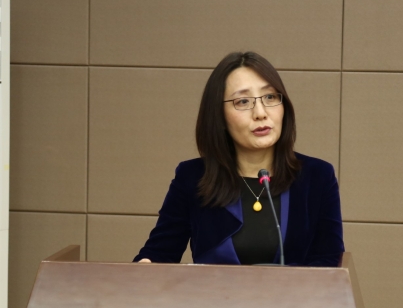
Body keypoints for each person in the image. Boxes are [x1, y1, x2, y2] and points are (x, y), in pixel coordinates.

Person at [133, 51, 344, 266]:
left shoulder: (317, 176)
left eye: (270, 97)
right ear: (219, 115)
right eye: (243, 101)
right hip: (213, 290)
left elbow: (329, 263)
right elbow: (159, 254)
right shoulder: (193, 177)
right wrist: (145, 267)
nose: (260, 113)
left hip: (298, 290)